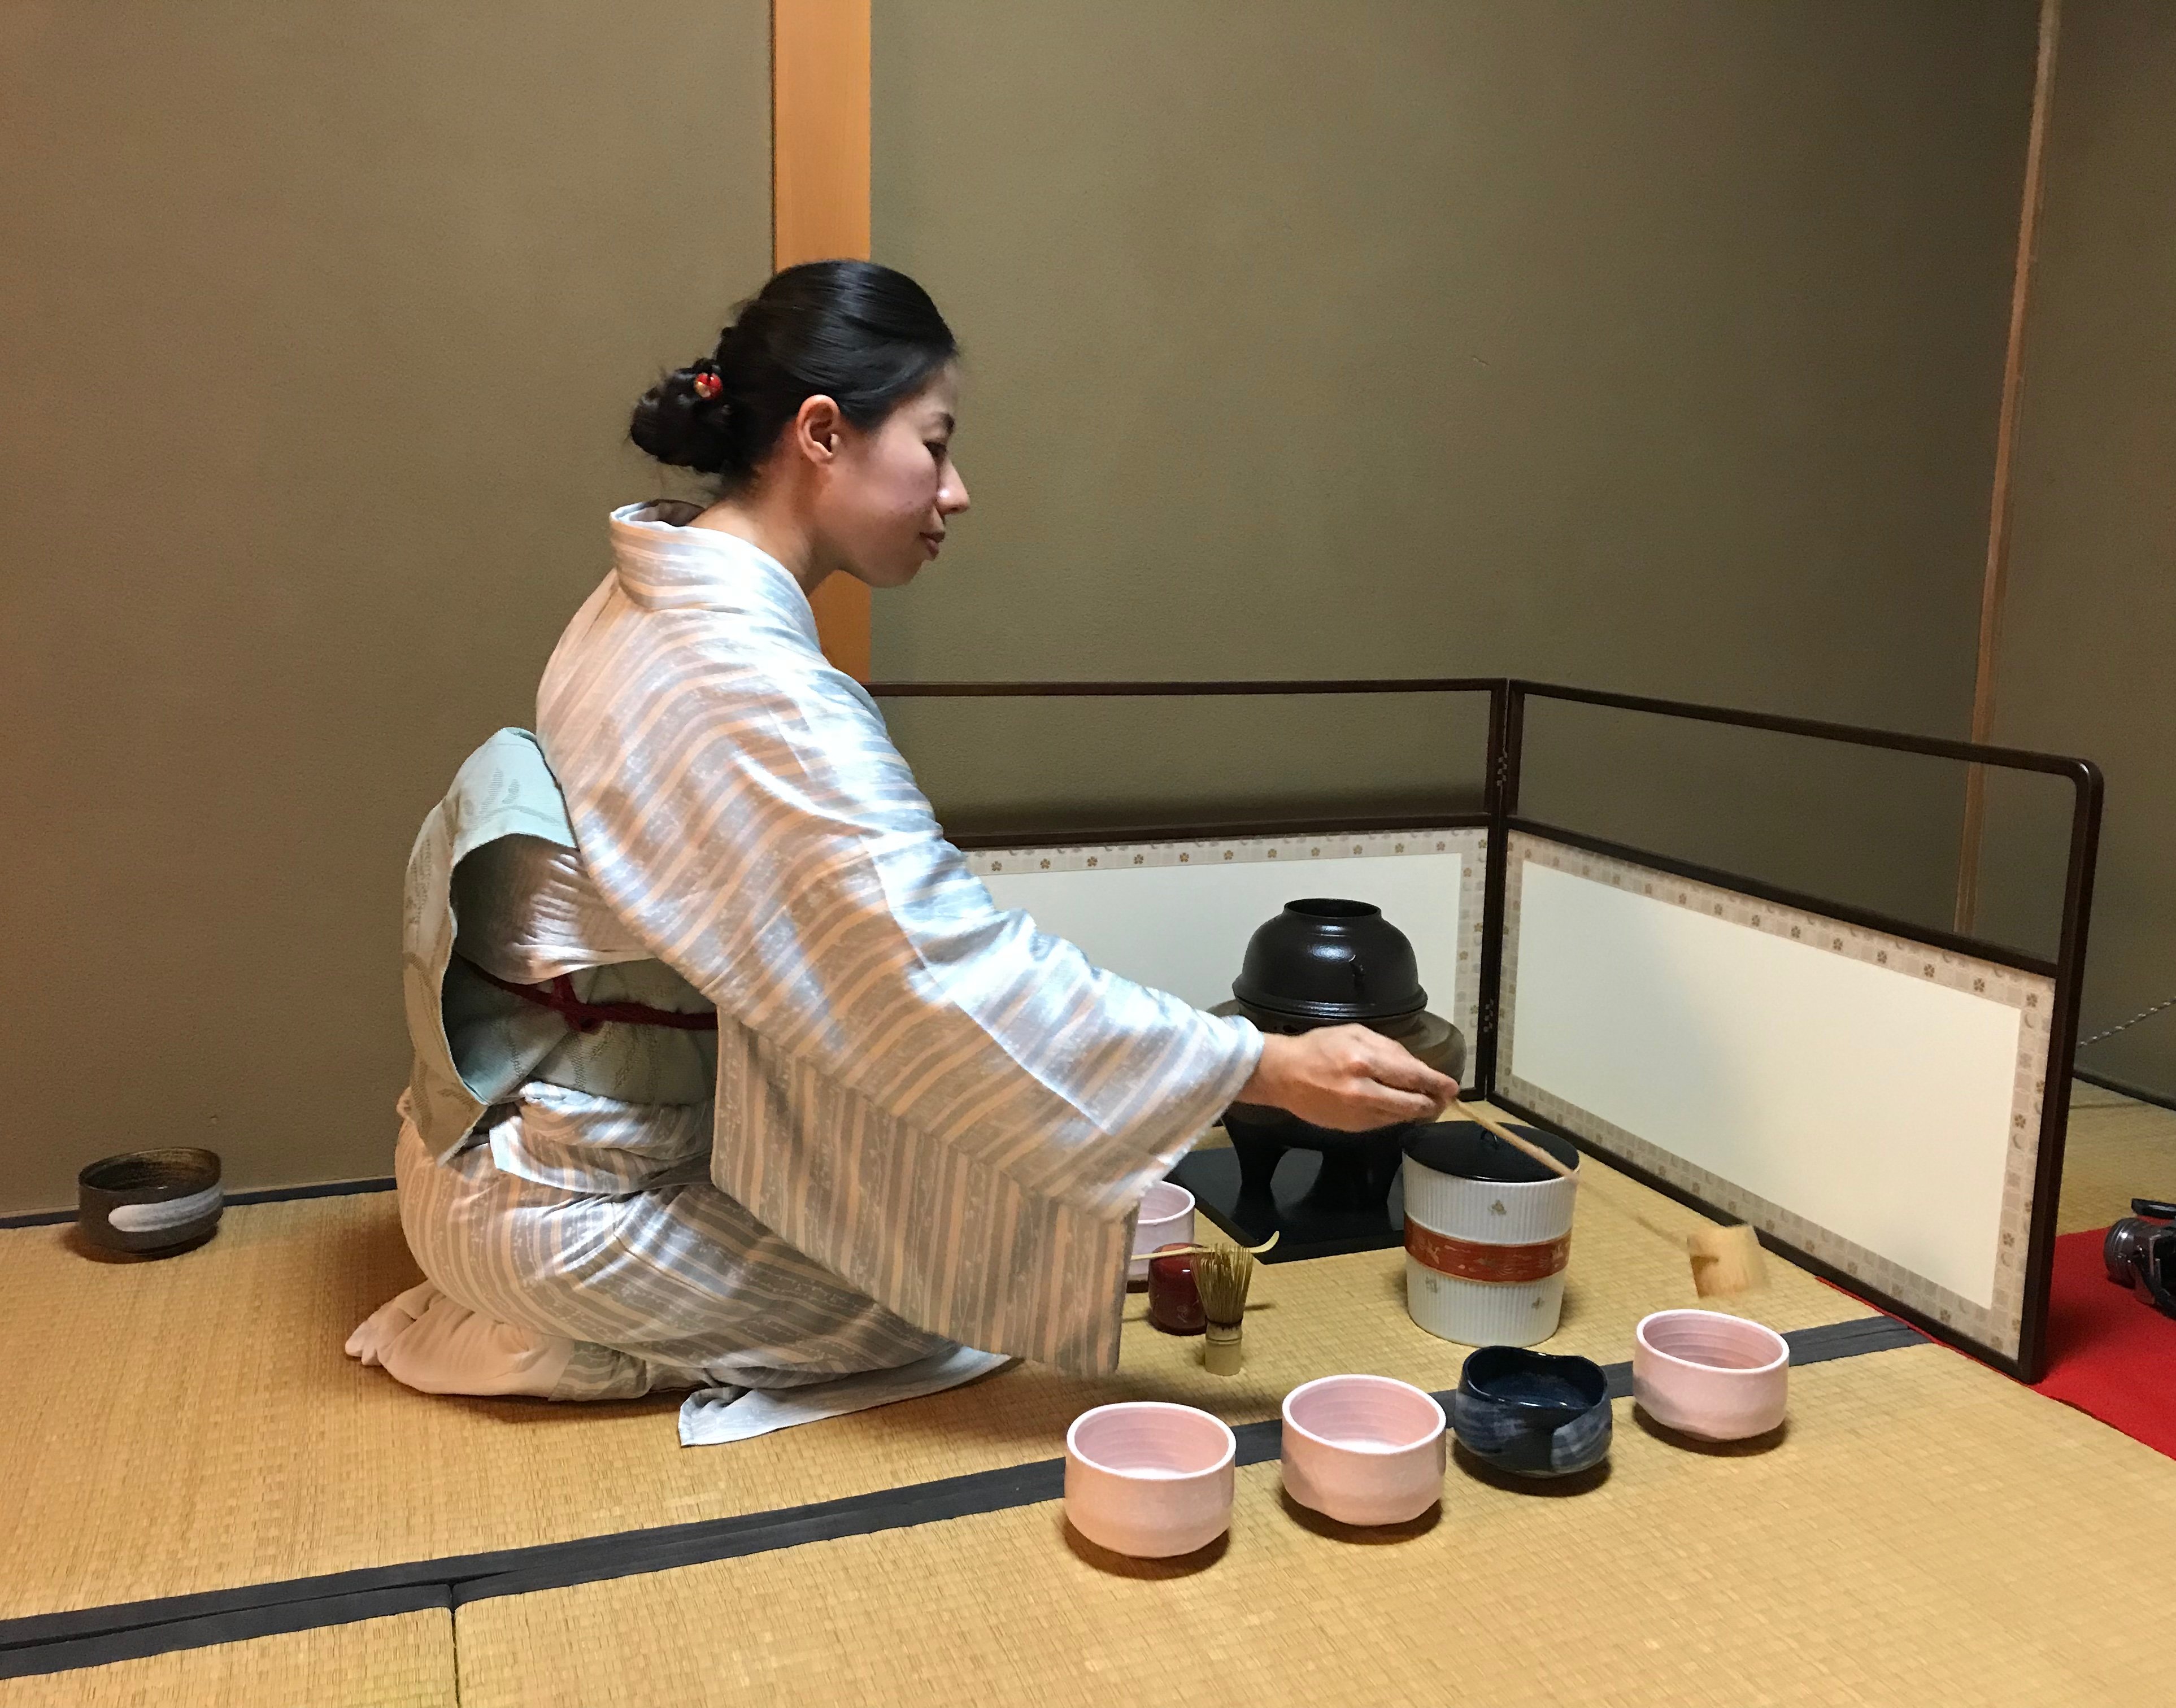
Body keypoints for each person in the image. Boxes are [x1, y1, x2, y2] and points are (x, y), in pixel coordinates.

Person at [349, 262, 1456, 1416]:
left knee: (974, 1229)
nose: (957, 489)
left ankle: (546, 1303)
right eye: (935, 443)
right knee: (955, 1308)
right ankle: (534, 1342)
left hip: (505, 1149)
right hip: (566, 1213)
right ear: (822, 433)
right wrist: (1261, 1067)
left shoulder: (647, 588)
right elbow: (943, 971)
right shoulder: (748, 686)